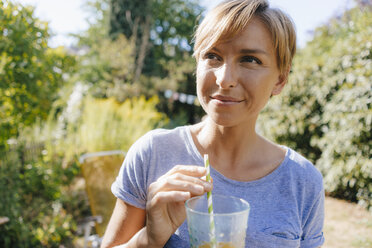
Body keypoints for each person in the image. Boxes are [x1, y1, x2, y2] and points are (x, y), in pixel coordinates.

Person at [100, 0, 325, 247]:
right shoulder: (153, 154)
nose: (224, 79)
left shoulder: (302, 182)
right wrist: (149, 239)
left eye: (249, 59)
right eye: (213, 56)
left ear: (280, 79)